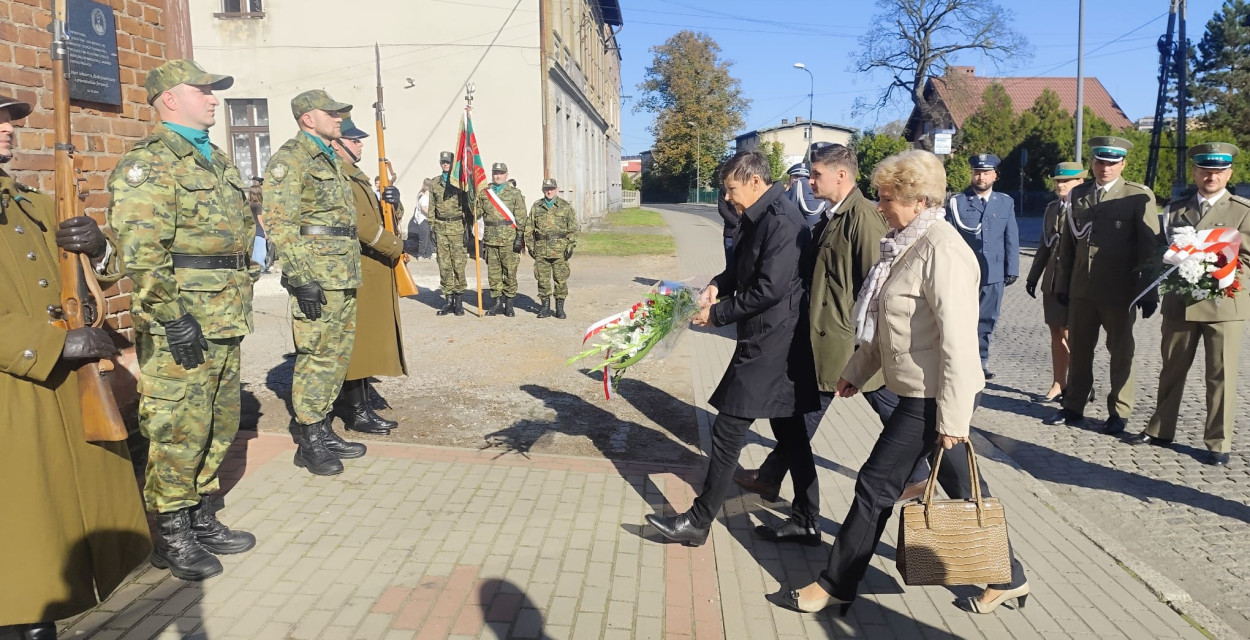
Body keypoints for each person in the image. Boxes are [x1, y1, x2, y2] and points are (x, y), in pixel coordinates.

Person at [780, 150, 1029, 616]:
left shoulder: (942, 250)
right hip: (921, 386)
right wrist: (856, 370)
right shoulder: (907, 243)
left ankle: (836, 583)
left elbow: (958, 342)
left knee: (874, 485)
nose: (880, 205)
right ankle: (1007, 574)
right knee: (962, 484)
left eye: (887, 197)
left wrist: (953, 419)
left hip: (934, 394)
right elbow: (893, 323)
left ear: (919, 199)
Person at [1, 92, 150, 640]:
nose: (8, 129)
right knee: (20, 534)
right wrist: (52, 345)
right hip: (14, 396)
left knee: (52, 530)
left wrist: (99, 246)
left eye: (10, 120)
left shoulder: (29, 203)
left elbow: (109, 269)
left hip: (60, 394)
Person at [107, 59, 258, 581]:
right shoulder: (148, 165)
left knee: (218, 419)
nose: (214, 98)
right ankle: (171, 531)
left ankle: (199, 513)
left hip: (224, 313)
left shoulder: (215, 159)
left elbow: (238, 235)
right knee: (177, 425)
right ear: (170, 98)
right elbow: (143, 252)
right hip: (184, 318)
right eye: (204, 91)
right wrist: (170, 317)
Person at [643, 150, 818, 547]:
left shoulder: (783, 221)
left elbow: (769, 289)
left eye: (732, 188)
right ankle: (806, 520)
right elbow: (742, 269)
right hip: (766, 339)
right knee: (791, 435)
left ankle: (698, 522)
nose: (728, 197)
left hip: (773, 345)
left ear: (754, 181)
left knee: (726, 431)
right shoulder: (760, 216)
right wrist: (717, 285)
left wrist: (717, 315)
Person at [735, 143, 891, 542]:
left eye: (817, 173)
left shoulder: (863, 219)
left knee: (803, 426)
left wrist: (862, 352)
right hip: (825, 342)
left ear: (842, 175)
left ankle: (927, 466)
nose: (810, 180)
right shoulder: (835, 215)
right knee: (797, 426)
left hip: (844, 348)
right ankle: (791, 502)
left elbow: (876, 291)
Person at [264, 89, 367, 476]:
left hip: (340, 272)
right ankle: (308, 439)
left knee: (336, 354)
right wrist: (301, 276)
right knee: (317, 353)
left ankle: (322, 428)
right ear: (308, 118)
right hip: (317, 276)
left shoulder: (328, 157)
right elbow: (278, 222)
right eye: (332, 112)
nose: (339, 117)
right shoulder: (291, 160)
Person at [1129, 143, 1250, 467]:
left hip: (1223, 307)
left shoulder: (1243, 211)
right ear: (1195, 172)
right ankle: (1160, 428)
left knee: (1220, 375)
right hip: (1180, 304)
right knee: (1171, 369)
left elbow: (1248, 259)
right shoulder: (1176, 210)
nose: (1211, 176)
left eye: (1218, 171)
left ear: (1229, 174)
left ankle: (1218, 441)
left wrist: (1219, 269)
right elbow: (1161, 251)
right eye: (1205, 170)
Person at [1047, 137, 1160, 433]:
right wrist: (1063, 285)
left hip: (1119, 291)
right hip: (1082, 290)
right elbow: (1069, 246)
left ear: (1123, 164)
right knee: (1080, 350)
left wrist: (1149, 291)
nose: (1105, 168)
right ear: (1092, 163)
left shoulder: (1137, 196)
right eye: (1100, 162)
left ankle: (1119, 412)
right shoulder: (1079, 195)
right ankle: (1073, 406)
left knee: (1121, 351)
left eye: (1112, 163)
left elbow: (1149, 247)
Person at [329, 115, 406, 435]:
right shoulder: (338, 175)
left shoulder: (355, 174)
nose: (360, 144)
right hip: (359, 266)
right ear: (337, 143)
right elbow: (361, 225)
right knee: (357, 345)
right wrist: (394, 247)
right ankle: (356, 411)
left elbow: (379, 216)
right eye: (354, 139)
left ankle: (359, 407)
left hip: (371, 268)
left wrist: (394, 203)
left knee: (364, 342)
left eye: (360, 139)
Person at [946, 153, 1020, 379]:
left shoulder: (1005, 202)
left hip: (994, 272)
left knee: (987, 318)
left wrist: (1012, 268)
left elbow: (1011, 237)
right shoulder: (956, 202)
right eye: (977, 172)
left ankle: (981, 361)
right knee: (960, 319)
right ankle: (959, 361)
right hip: (964, 273)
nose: (981, 177)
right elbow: (948, 239)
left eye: (986, 172)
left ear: (995, 175)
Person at [1025, 162, 1088, 402]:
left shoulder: (1086, 209)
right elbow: (1045, 244)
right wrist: (1033, 276)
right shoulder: (1052, 209)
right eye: (1057, 181)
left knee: (1074, 336)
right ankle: (1058, 383)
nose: (1060, 185)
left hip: (1076, 281)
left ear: (1080, 182)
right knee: (1056, 333)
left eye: (1066, 181)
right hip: (1053, 281)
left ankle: (1080, 384)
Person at [475, 162, 527, 317]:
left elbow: (521, 216)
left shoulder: (515, 193)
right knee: (494, 273)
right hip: (491, 239)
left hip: (509, 239)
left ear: (506, 175)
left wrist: (519, 237)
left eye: (501, 173)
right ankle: (497, 303)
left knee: (510, 272)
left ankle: (509, 304)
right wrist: (472, 197)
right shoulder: (485, 193)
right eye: (495, 173)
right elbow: (477, 213)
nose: (498, 176)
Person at [525, 179, 577, 319]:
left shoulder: (565, 206)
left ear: (556, 189)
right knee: (542, 279)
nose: (549, 191)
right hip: (541, 250)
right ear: (542, 189)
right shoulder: (537, 206)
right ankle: (545, 307)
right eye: (546, 188)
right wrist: (530, 246)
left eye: (552, 188)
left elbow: (572, 228)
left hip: (560, 250)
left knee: (560, 280)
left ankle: (560, 308)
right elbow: (529, 228)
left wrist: (571, 245)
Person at [429, 151, 471, 315]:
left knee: (458, 265)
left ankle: (459, 301)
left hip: (456, 227)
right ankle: (448, 301)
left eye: (447, 162)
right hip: (440, 227)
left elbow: (467, 206)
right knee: (444, 265)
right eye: (443, 162)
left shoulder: (460, 183)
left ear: (453, 164)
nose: (445, 164)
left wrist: (468, 227)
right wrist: (431, 226)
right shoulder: (434, 183)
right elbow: (432, 206)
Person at [786, 162, 828, 228]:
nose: (800, 180)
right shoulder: (819, 192)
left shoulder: (791, 191)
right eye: (796, 177)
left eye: (804, 178)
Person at [407, 178, 434, 259]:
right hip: (423, 220)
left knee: (429, 236)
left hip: (427, 219)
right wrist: (431, 213)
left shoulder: (426, 196)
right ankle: (421, 254)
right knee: (424, 237)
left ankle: (428, 253)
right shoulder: (424, 197)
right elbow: (423, 208)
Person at [248, 177, 270, 273]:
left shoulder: (249, 204)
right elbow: (260, 219)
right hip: (259, 229)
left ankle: (256, 267)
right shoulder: (258, 205)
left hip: (252, 229)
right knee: (261, 250)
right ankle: (261, 267)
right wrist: (265, 231)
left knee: (255, 250)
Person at [717, 187, 737, 268]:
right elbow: (722, 209)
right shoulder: (725, 189)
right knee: (731, 265)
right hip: (730, 233)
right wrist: (737, 222)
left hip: (748, 233)